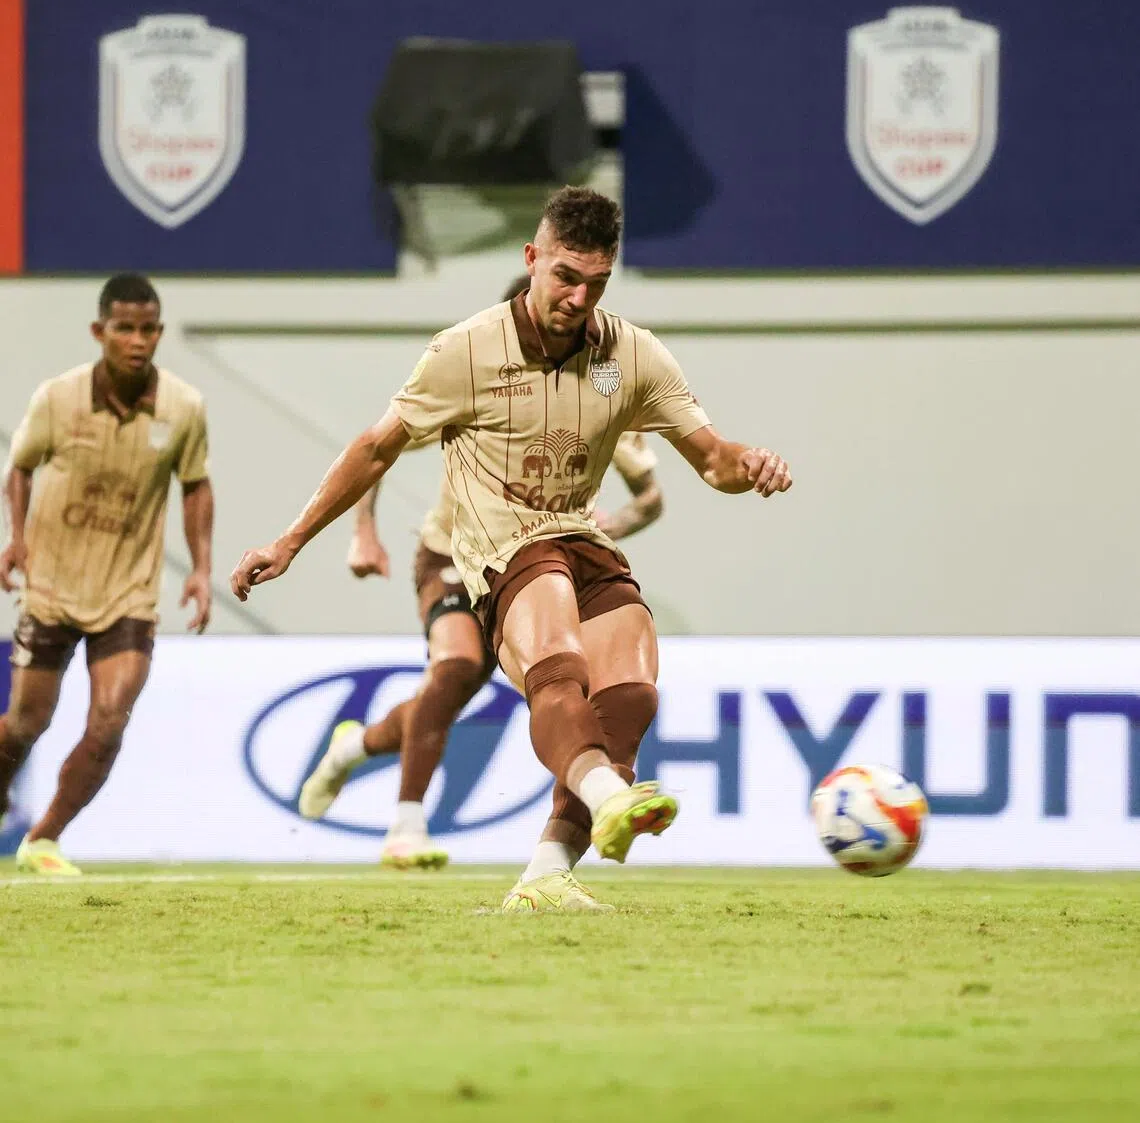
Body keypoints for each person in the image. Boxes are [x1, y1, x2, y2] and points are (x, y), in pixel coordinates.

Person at [231, 187, 791, 912]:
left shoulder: (628, 357)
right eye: (566, 276)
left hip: (580, 535)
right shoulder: (464, 352)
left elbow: (713, 461)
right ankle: (570, 799)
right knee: (534, 661)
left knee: (631, 687)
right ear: (533, 259)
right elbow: (375, 450)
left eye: (597, 283)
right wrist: (292, 541)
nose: (579, 297)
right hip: (496, 551)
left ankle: (544, 877)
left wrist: (751, 466)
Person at [298, 323, 665, 870]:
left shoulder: (601, 390)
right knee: (456, 667)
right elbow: (380, 447)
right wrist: (364, 531)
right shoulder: (481, 378)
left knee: (467, 693)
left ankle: (354, 746)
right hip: (452, 556)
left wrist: (615, 522)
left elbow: (651, 497)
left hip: (543, 563)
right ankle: (406, 826)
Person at [0, 273, 213, 875]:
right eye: (125, 328)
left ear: (160, 333)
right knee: (25, 722)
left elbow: (196, 485)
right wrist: (15, 539)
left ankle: (43, 838)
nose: (138, 341)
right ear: (100, 331)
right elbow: (20, 468)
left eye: (148, 329)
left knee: (110, 719)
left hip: (129, 593)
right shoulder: (57, 398)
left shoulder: (184, 407)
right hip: (51, 587)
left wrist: (200, 570)